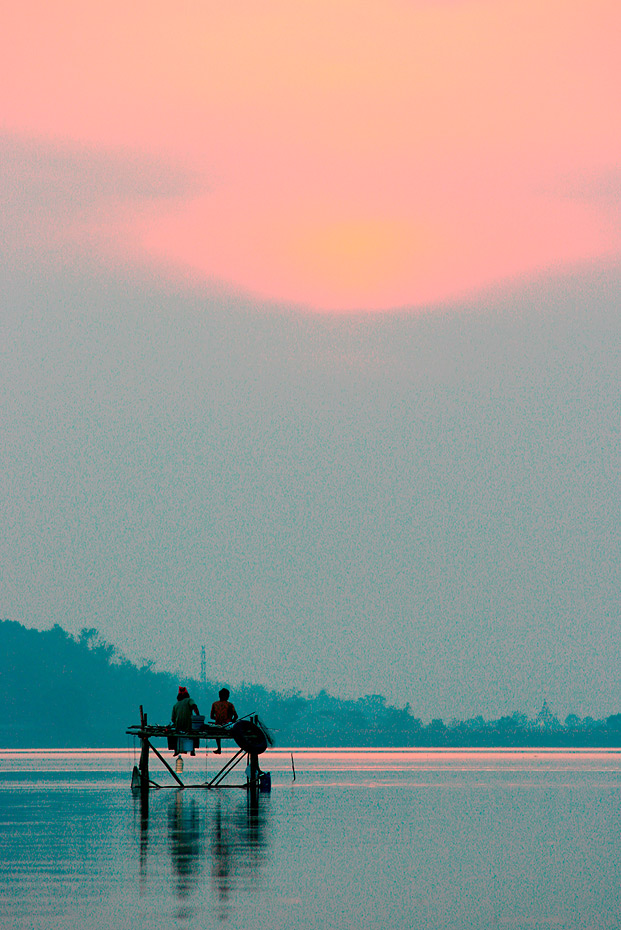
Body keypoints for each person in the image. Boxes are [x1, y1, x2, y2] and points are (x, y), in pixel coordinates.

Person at [171, 686, 200, 755]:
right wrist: (198, 716)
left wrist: (176, 723)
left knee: (175, 734)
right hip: (188, 725)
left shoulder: (175, 705)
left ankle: (176, 750)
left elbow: (172, 719)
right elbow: (194, 706)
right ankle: (192, 750)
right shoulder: (189, 700)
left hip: (178, 726)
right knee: (194, 732)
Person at [210, 688, 238, 754]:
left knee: (217, 730)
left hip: (218, 725)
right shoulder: (230, 705)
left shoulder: (215, 704)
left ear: (219, 696)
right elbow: (236, 716)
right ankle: (219, 749)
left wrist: (217, 718)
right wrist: (232, 720)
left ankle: (219, 748)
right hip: (227, 725)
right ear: (227, 696)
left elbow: (211, 717)